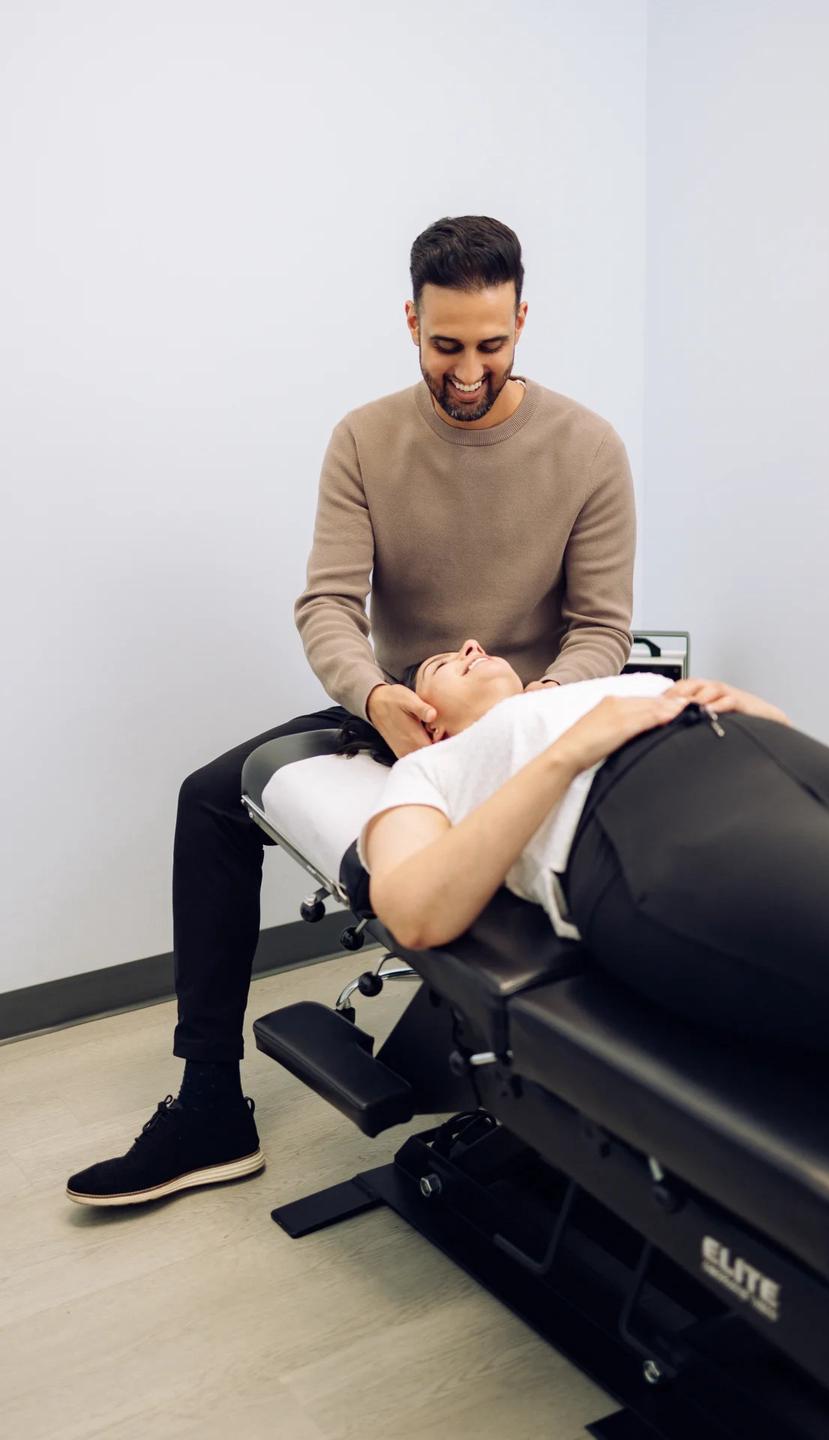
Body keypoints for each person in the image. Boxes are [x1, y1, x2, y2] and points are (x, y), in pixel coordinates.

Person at [67, 217, 637, 1207]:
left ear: (522, 322)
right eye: (446, 345)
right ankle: (209, 1107)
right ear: (411, 322)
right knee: (210, 799)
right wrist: (376, 694)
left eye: (492, 344)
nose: (470, 371)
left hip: (523, 727)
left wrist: (523, 714)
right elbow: (328, 605)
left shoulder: (588, 448)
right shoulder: (366, 440)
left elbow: (601, 631)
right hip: (398, 712)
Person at [360, 638, 829, 1100]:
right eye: (442, 662)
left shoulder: (603, 688)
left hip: (779, 758)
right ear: (427, 722)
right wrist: (568, 753)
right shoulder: (431, 767)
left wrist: (759, 713)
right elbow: (413, 911)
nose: (472, 646)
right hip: (660, 819)